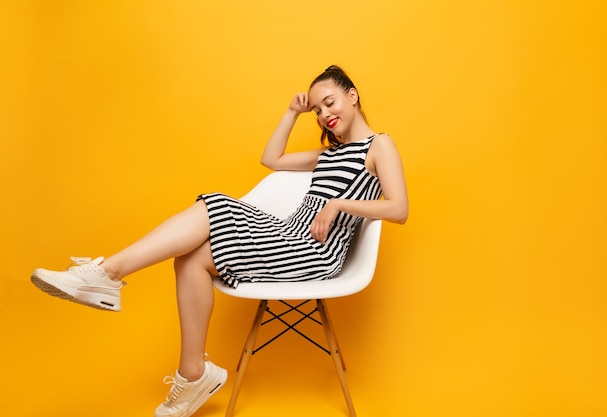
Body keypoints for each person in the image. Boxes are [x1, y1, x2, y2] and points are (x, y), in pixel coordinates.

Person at [31, 65, 409, 417]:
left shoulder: (379, 146)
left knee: (215, 204)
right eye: (318, 110)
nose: (325, 114)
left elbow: (399, 208)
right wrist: (292, 113)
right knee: (192, 258)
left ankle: (106, 273)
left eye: (330, 102)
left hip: (314, 250)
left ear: (353, 96)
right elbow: (271, 159)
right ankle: (193, 374)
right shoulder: (331, 153)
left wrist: (337, 204)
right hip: (287, 233)